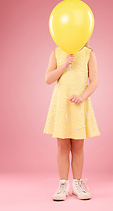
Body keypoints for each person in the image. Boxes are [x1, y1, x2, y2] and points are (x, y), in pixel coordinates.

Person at [43, 41, 100, 201]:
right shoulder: (56, 53)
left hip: (78, 104)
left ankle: (77, 183)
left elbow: (94, 81)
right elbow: (48, 78)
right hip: (62, 104)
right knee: (62, 145)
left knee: (78, 146)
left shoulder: (89, 53)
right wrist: (63, 65)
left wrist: (81, 97)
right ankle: (63, 184)